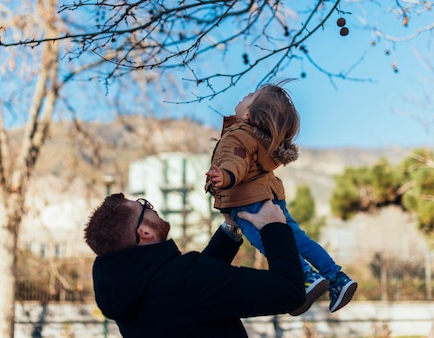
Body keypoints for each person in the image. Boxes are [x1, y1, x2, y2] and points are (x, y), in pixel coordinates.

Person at [205, 81, 358, 316]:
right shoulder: (261, 141)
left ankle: (307, 277)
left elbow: (236, 161)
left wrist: (224, 176)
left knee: (268, 243)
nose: (246, 93)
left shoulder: (238, 136)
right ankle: (337, 277)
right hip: (272, 197)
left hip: (249, 203)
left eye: (251, 95)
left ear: (248, 115)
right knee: (298, 240)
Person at [84, 193, 305, 338]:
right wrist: (274, 227)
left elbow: (192, 296)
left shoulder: (125, 291)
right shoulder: (184, 279)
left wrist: (231, 227)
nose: (151, 207)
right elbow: (289, 290)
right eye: (144, 206)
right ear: (144, 232)